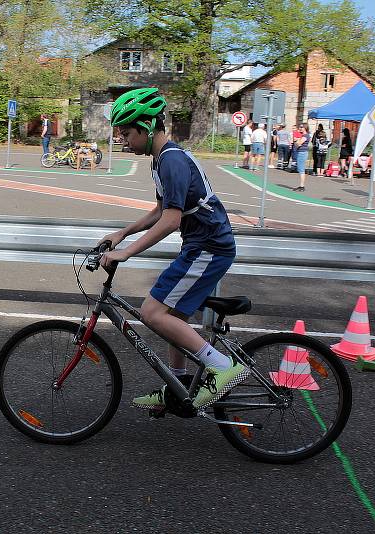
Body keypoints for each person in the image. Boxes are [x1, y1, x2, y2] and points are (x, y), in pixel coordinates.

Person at [98, 87, 247, 412]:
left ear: (146, 126)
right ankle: (177, 389)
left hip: (209, 247)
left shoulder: (173, 161)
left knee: (152, 312)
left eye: (125, 132)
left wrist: (127, 252)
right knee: (172, 317)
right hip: (201, 246)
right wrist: (122, 233)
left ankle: (223, 368)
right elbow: (159, 210)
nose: (122, 140)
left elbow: (170, 220)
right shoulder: (160, 160)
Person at [293, 123, 311, 191]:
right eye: (300, 127)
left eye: (301, 127)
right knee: (300, 169)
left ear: (305, 128)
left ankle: (302, 186)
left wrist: (297, 141)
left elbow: (298, 143)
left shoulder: (305, 136)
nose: (300, 128)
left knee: (301, 169)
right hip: (301, 152)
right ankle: (301, 185)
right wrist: (297, 141)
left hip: (302, 153)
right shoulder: (303, 136)